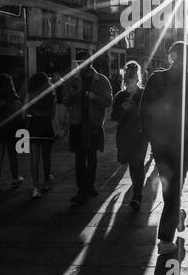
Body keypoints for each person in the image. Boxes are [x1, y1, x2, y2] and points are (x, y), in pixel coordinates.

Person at [139, 42, 188, 254]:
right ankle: (165, 239)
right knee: (174, 186)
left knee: (170, 186)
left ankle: (176, 216)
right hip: (183, 142)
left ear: (171, 57)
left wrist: (150, 135)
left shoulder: (155, 79)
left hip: (160, 142)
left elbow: (143, 111)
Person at [63, 61, 112, 204]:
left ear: (89, 65)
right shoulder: (72, 80)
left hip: (93, 125)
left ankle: (89, 186)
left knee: (92, 159)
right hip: (77, 125)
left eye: (81, 65)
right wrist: (72, 94)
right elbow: (65, 101)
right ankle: (81, 190)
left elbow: (108, 101)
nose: (79, 68)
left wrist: (94, 97)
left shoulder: (101, 80)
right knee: (79, 160)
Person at [110, 61, 149, 211]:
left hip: (140, 135)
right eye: (125, 80)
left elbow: (149, 113)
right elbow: (114, 116)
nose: (127, 83)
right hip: (125, 135)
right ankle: (136, 192)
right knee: (130, 164)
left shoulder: (142, 94)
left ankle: (137, 195)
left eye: (130, 80)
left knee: (136, 165)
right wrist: (122, 109)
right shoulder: (120, 95)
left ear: (137, 79)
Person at [24, 72, 56, 199]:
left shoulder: (30, 94)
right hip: (46, 126)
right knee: (46, 157)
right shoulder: (50, 94)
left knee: (34, 159)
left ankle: (35, 188)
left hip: (34, 126)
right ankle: (47, 182)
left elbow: (25, 111)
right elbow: (53, 114)